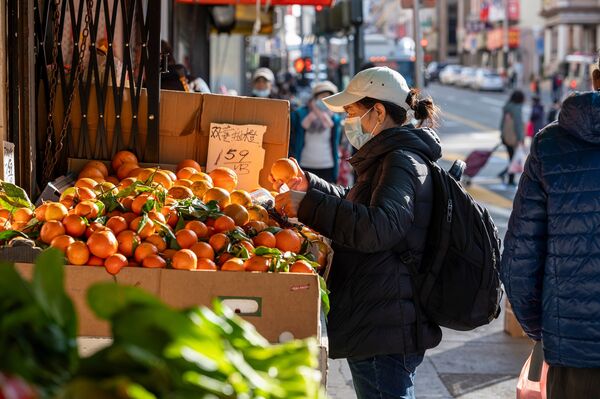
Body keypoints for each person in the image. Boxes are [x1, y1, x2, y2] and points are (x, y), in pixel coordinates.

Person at [272, 67, 443, 398]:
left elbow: (378, 227)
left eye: (352, 112)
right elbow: (360, 205)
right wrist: (311, 188)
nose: (348, 122)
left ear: (377, 111)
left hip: (385, 321)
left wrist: (307, 206)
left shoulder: (400, 160)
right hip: (380, 313)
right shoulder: (387, 156)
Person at [500, 54, 600, 398]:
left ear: (596, 80)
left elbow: (518, 260)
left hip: (572, 353)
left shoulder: (550, 145)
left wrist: (544, 331)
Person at [289, 81, 342, 183]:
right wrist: (315, 112)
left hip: (327, 166)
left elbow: (336, 140)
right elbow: (297, 129)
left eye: (328, 97)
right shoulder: (301, 114)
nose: (325, 100)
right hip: (305, 164)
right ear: (315, 97)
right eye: (322, 96)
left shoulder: (334, 118)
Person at [499, 90, 525, 185]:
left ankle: (505, 174)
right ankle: (509, 178)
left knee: (512, 158)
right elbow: (518, 125)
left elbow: (502, 124)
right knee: (513, 158)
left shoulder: (507, 107)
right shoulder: (517, 108)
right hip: (513, 138)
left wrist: (502, 135)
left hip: (506, 137)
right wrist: (520, 139)